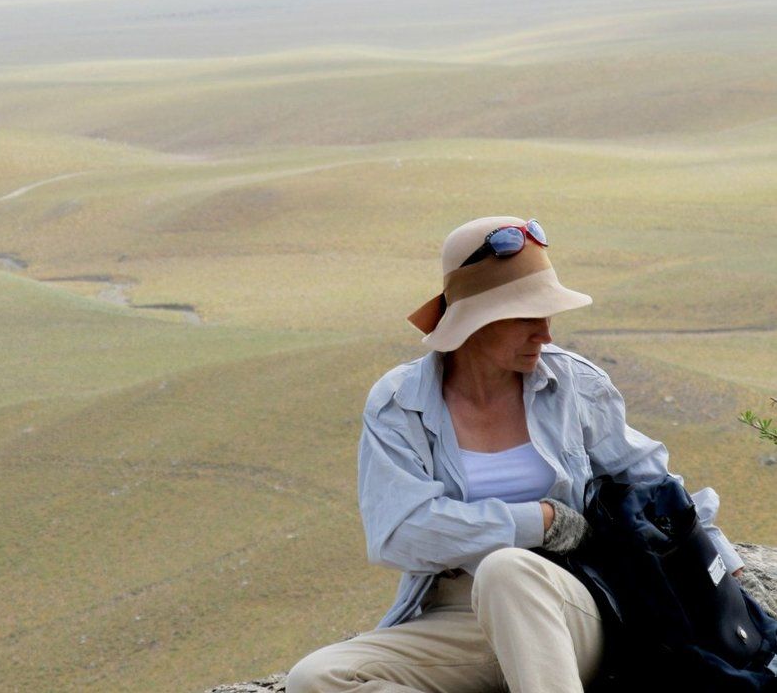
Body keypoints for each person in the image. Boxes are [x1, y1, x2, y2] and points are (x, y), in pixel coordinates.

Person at [286, 216, 744, 693]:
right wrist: (541, 521)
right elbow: (399, 534)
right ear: (476, 320)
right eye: (527, 316)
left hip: (571, 604)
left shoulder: (573, 385)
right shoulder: (400, 403)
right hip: (458, 614)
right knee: (316, 680)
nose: (545, 333)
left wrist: (721, 568)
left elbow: (650, 479)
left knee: (507, 569)